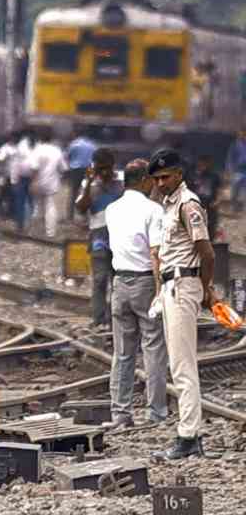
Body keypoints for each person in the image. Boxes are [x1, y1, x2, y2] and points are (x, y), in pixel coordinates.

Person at [149, 149, 216, 460]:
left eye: (166, 177)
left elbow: (207, 252)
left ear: (179, 174)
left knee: (182, 366)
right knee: (179, 364)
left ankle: (189, 436)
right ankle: (190, 434)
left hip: (183, 285)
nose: (161, 183)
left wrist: (207, 289)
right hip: (172, 286)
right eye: (157, 178)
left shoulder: (188, 205)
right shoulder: (169, 204)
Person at [103, 159, 168, 429]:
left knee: (122, 353)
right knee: (153, 349)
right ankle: (155, 413)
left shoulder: (111, 209)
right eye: (153, 180)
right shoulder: (153, 210)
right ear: (144, 180)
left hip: (119, 283)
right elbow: (156, 253)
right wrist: (159, 290)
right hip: (144, 282)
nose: (155, 185)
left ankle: (120, 414)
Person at [75, 148, 123, 330]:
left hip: (121, 236)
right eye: (99, 168)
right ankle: (99, 319)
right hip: (99, 237)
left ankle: (114, 319)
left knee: (117, 280)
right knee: (100, 279)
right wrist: (88, 182)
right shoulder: (89, 184)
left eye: (106, 168)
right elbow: (81, 207)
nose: (104, 173)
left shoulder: (123, 181)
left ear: (113, 166)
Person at [28, 130, 67, 238]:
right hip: (52, 183)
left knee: (37, 207)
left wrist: (32, 182)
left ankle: (36, 231)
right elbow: (63, 168)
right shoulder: (57, 150)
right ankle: (50, 232)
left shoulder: (37, 150)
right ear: (51, 139)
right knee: (50, 207)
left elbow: (34, 168)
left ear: (40, 138)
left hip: (39, 181)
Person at [65, 130, 99, 222]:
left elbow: (67, 156)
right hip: (88, 169)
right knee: (88, 192)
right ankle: (87, 217)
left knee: (74, 192)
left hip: (76, 169)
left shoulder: (74, 144)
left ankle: (70, 216)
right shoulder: (93, 145)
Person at [189, 154, 223, 240]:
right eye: (202, 163)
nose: (204, 166)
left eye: (206, 164)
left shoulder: (214, 176)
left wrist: (217, 201)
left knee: (210, 225)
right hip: (196, 203)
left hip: (210, 204)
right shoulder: (193, 176)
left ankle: (210, 242)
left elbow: (219, 190)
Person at [227, 129, 246, 213]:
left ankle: (242, 208)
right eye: (242, 133)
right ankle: (234, 206)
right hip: (238, 170)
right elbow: (230, 157)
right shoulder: (235, 145)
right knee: (235, 189)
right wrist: (229, 170)